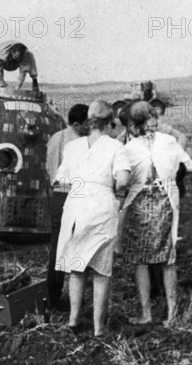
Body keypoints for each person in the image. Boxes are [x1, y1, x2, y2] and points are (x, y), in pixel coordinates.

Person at [54, 100, 131, 336]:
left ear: (89, 121)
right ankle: (99, 328)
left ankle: (73, 320)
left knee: (77, 268)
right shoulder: (116, 148)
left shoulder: (73, 146)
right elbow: (124, 181)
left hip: (76, 206)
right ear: (110, 123)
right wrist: (114, 185)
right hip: (100, 206)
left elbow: (62, 179)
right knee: (101, 271)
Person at [121, 102, 192, 325]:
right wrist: (173, 173)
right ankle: (172, 313)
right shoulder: (169, 141)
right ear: (152, 120)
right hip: (165, 203)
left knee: (140, 260)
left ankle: (146, 314)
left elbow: (121, 180)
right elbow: (191, 165)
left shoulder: (129, 148)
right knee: (168, 258)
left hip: (139, 206)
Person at [45, 104, 90, 311]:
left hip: (57, 196)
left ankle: (53, 296)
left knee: (57, 248)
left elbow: (49, 169)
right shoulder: (80, 143)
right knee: (77, 249)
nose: (90, 127)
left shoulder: (55, 137)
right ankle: (73, 299)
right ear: (76, 124)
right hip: (74, 196)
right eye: (87, 123)